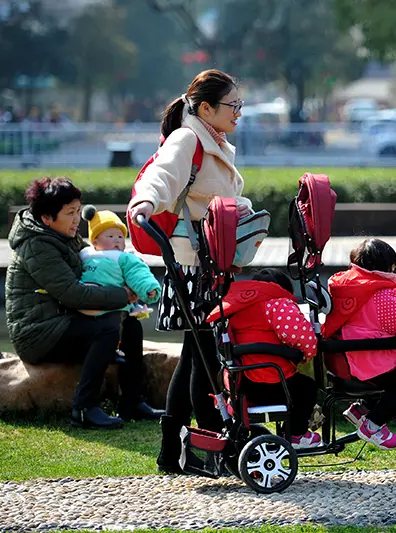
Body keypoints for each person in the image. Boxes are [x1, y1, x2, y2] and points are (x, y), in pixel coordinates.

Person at [126, 69, 254, 473]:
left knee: (194, 356)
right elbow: (161, 173)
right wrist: (146, 202)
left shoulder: (215, 141)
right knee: (206, 358)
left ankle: (172, 450)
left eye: (240, 105)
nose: (238, 113)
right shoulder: (188, 139)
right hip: (195, 267)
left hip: (209, 264)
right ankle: (218, 447)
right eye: (233, 105)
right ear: (205, 108)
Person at [5, 177, 163, 429]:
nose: (77, 219)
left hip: (63, 319)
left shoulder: (62, 234)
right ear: (47, 217)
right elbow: (72, 294)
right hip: (39, 333)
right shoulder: (36, 245)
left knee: (130, 322)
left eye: (78, 211)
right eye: (70, 213)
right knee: (108, 325)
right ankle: (83, 408)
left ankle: (132, 401)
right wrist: (124, 295)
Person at [323, 239, 396, 449]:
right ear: (386, 267)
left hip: (341, 362)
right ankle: (371, 426)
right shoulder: (381, 295)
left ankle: (360, 411)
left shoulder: (346, 289)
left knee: (387, 385)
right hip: (365, 361)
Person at [214, 268, 321, 449]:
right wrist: (305, 355)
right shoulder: (277, 303)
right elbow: (304, 339)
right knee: (307, 387)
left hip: (242, 385)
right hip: (273, 382)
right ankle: (296, 434)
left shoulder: (236, 307)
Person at [78, 205, 161, 317]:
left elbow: (137, 272)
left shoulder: (123, 257)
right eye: (110, 236)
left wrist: (148, 287)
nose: (116, 240)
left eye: (120, 237)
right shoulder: (85, 253)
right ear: (95, 242)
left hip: (113, 307)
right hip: (85, 303)